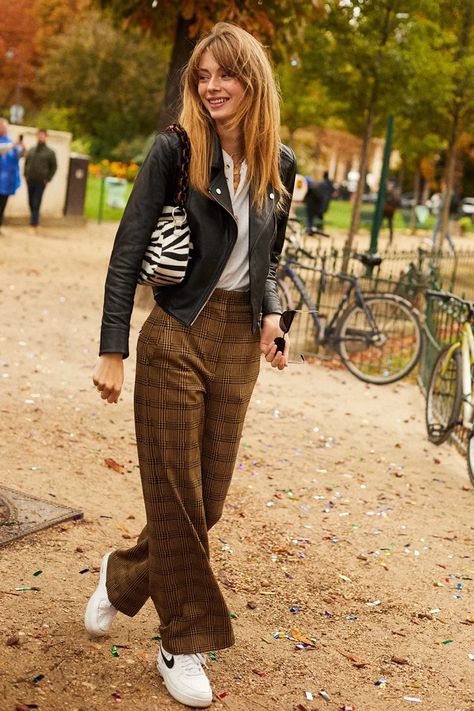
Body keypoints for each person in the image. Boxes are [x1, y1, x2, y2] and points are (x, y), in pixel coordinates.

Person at [85, 22, 296, 709]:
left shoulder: (278, 162)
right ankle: (184, 640)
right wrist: (112, 346)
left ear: (252, 81)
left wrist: (273, 316)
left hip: (240, 341)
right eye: (202, 76)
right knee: (174, 489)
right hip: (176, 328)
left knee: (205, 499)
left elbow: (269, 258)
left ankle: (122, 579)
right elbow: (127, 250)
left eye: (225, 75)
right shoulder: (173, 150)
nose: (211, 87)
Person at [24, 129, 57, 233]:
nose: (40, 137)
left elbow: (54, 167)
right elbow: (27, 163)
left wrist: (48, 178)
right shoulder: (32, 150)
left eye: (42, 135)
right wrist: (25, 174)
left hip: (41, 181)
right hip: (30, 179)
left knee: (36, 201)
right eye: (39, 135)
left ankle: (33, 224)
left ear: (46, 136)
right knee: (30, 201)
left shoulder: (50, 152)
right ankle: (35, 220)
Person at [0, 118, 24, 235]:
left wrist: (23, 148)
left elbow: (20, 154)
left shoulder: (11, 142)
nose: (3, 129)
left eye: (4, 127)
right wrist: (13, 145)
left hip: (7, 182)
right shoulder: (10, 144)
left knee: (2, 205)